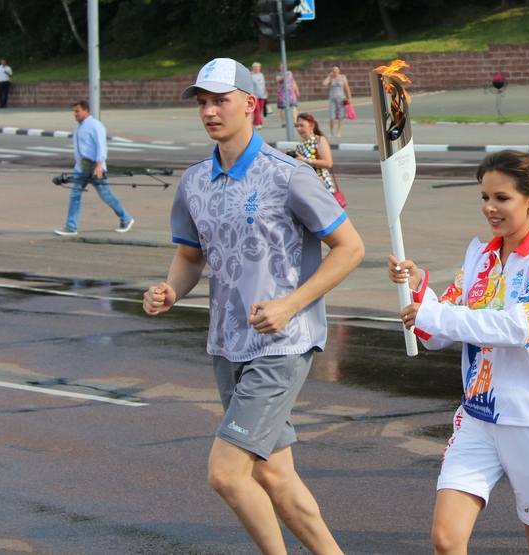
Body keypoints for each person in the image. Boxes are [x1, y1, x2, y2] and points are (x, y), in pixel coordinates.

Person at [142, 58, 363, 555]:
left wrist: (290, 305)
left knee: (226, 473)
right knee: (274, 474)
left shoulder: (290, 175)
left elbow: (350, 248)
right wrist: (171, 290)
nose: (209, 111)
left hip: (282, 344)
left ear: (250, 104)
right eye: (202, 102)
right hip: (227, 343)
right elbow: (189, 256)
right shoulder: (195, 181)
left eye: (220, 100)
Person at [388, 149, 529, 555]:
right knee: (446, 539)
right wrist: (418, 290)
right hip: (478, 417)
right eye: (485, 197)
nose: (490, 207)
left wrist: (436, 315)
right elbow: (437, 334)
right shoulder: (481, 257)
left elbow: (519, 328)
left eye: (501, 198)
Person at [54, 100, 135, 236]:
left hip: (94, 169)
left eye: (77, 111)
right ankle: (71, 227)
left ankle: (126, 219)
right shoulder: (79, 127)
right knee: (74, 195)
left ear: (86, 111)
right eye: (74, 111)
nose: (75, 114)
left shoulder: (95, 125)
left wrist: (99, 166)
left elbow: (101, 147)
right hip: (81, 169)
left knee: (106, 195)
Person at [292, 112, 338, 196]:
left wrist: (306, 161)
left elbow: (328, 163)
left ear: (312, 125)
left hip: (321, 186)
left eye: (302, 125)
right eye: (297, 126)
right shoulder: (300, 145)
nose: (299, 129)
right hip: (307, 187)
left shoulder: (319, 140)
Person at [326, 65, 351, 138]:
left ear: (339, 70)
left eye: (336, 69)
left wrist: (349, 98)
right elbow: (324, 83)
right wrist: (329, 76)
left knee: (340, 116)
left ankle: (339, 132)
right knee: (332, 116)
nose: (335, 71)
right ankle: (331, 131)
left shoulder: (343, 77)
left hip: (341, 99)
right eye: (333, 69)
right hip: (332, 99)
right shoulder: (331, 78)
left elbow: (347, 87)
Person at [249, 62, 267, 130]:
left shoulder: (261, 74)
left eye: (258, 67)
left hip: (262, 95)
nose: (256, 68)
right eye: (255, 67)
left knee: (260, 110)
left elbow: (263, 84)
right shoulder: (251, 75)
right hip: (254, 95)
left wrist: (266, 92)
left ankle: (256, 121)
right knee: (257, 109)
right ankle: (257, 123)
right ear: (253, 68)